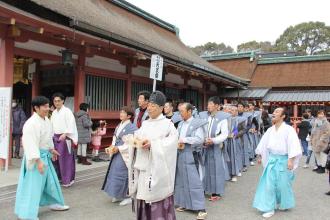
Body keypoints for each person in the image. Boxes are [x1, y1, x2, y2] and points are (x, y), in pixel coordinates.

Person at [15, 96, 69, 220]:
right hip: (35, 158)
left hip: (45, 156)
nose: (47, 108)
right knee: (33, 186)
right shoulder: (30, 123)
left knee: (51, 182)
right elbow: (29, 144)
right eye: (44, 106)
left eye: (47, 106)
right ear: (36, 108)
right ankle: (26, 214)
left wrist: (51, 149)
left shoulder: (46, 121)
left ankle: (55, 203)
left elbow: (48, 138)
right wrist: (38, 161)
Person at [127, 91, 178, 220]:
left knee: (156, 199)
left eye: (153, 106)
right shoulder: (145, 124)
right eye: (149, 105)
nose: (149, 108)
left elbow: (171, 144)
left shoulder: (168, 125)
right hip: (143, 168)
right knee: (143, 197)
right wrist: (133, 141)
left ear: (161, 108)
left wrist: (153, 145)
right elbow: (138, 137)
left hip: (157, 172)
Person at [253, 107, 302, 218]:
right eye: (273, 111)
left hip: (283, 160)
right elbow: (263, 144)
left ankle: (284, 203)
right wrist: (260, 155)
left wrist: (290, 159)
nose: (273, 113)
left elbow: (293, 145)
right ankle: (269, 207)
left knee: (283, 185)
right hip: (272, 160)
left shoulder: (289, 129)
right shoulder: (270, 130)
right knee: (268, 185)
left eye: (277, 112)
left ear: (283, 116)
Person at [175, 103, 208, 220]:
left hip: (191, 155)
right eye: (179, 111)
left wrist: (184, 139)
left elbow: (200, 139)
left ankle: (201, 208)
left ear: (189, 111)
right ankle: (185, 204)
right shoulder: (180, 124)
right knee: (181, 180)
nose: (180, 114)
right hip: (180, 154)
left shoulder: (197, 123)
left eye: (182, 111)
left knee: (194, 181)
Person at [102, 106, 137, 206]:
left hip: (125, 154)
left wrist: (119, 148)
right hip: (117, 153)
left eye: (124, 113)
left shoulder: (132, 127)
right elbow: (115, 138)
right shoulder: (119, 125)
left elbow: (131, 143)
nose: (121, 114)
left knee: (124, 174)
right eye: (121, 112)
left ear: (129, 116)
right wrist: (112, 146)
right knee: (114, 173)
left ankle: (128, 196)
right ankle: (118, 194)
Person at [202, 96, 229, 201]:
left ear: (217, 106)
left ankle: (216, 192)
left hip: (215, 147)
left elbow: (224, 134)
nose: (208, 106)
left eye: (211, 104)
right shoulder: (205, 117)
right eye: (208, 104)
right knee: (205, 168)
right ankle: (205, 188)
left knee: (216, 169)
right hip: (205, 146)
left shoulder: (222, 118)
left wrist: (213, 140)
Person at [50, 92, 78, 187]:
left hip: (65, 138)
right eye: (55, 101)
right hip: (55, 137)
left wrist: (65, 133)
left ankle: (68, 179)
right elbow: (52, 125)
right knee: (55, 159)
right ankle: (59, 178)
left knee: (65, 159)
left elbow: (71, 124)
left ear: (63, 101)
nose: (57, 103)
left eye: (59, 101)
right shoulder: (54, 112)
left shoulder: (67, 111)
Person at [311, 110, 330, 174]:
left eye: (322, 114)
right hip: (315, 141)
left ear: (324, 115)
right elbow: (312, 132)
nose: (320, 115)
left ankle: (323, 168)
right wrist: (311, 139)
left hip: (322, 142)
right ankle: (319, 166)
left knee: (323, 155)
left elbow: (327, 132)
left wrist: (321, 139)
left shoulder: (326, 123)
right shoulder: (315, 122)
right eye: (319, 114)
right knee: (317, 155)